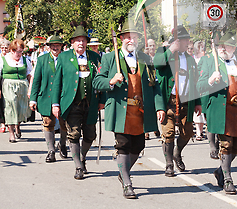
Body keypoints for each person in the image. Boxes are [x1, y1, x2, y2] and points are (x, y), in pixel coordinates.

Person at [93, 22, 161, 199]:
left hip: (140, 111)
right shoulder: (109, 58)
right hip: (120, 110)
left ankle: (123, 173)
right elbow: (96, 81)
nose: (131, 39)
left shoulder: (145, 59)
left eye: (134, 36)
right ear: (121, 38)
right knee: (123, 144)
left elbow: (155, 85)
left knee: (138, 146)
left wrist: (160, 107)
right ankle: (128, 183)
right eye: (128, 36)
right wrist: (111, 80)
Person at [197, 31, 237, 195]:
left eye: (227, 46)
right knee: (226, 145)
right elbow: (200, 86)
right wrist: (211, 80)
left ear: (234, 48)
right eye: (221, 45)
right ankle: (228, 179)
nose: (224, 48)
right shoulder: (210, 62)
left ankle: (220, 171)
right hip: (221, 110)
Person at [52, 23, 104, 180]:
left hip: (91, 103)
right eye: (77, 40)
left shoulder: (95, 57)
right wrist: (55, 104)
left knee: (90, 135)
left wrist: (102, 100)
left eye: (83, 40)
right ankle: (78, 167)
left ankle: (82, 156)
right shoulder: (63, 57)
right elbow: (57, 82)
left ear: (86, 43)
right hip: (72, 103)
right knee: (73, 134)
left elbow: (101, 79)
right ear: (72, 43)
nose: (81, 43)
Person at [153, 26, 202, 177]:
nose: (188, 42)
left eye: (188, 39)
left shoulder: (189, 59)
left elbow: (195, 81)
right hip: (168, 100)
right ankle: (169, 164)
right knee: (168, 133)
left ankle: (177, 152)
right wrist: (170, 50)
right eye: (185, 40)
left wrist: (198, 102)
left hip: (185, 101)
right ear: (177, 41)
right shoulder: (164, 53)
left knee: (187, 132)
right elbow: (157, 63)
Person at [29, 33, 68, 162]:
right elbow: (36, 81)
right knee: (48, 122)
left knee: (64, 123)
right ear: (49, 47)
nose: (55, 48)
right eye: (53, 45)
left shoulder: (67, 59)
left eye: (57, 45)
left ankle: (62, 144)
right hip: (45, 96)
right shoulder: (42, 60)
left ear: (61, 46)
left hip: (63, 97)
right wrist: (33, 99)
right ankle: (51, 150)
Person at [0, 39, 32, 142]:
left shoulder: (25, 60)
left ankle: (18, 125)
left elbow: (30, 75)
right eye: (16, 51)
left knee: (20, 108)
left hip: (23, 85)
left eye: (20, 51)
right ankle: (11, 133)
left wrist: (30, 89)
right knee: (10, 106)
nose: (18, 54)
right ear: (11, 50)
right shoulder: (3, 59)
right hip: (8, 85)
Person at [143, 38, 160, 140]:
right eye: (150, 46)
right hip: (148, 83)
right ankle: (146, 131)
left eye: (153, 45)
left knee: (156, 107)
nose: (152, 48)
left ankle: (155, 127)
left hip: (157, 83)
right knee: (147, 107)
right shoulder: (144, 58)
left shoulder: (158, 57)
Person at [0, 38, 9, 133]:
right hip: (1, 81)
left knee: (9, 102)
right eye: (2, 47)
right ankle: (2, 123)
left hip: (9, 81)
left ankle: (10, 122)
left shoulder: (11, 57)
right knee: (1, 102)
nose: (4, 49)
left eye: (6, 48)